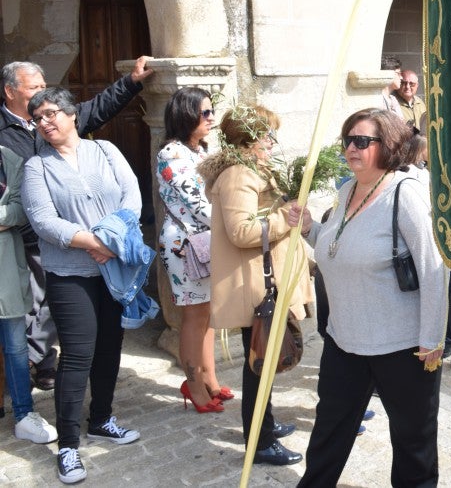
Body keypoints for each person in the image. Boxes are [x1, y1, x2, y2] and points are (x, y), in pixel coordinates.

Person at [288, 108, 446, 487]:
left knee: (413, 444)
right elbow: (338, 247)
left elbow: (434, 268)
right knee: (328, 435)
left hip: (403, 347)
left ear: (388, 145)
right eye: (348, 140)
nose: (351, 148)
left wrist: (432, 339)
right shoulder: (347, 190)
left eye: (362, 141)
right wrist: (311, 229)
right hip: (344, 340)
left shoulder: (405, 194)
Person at [0, 57, 152, 392]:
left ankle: (45, 363)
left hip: (71, 238)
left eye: (44, 87)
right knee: (27, 305)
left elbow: (98, 107)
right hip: (21, 234)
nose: (42, 94)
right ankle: (29, 367)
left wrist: (131, 81)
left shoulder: (58, 119)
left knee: (53, 309)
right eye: (34, 88)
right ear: (10, 91)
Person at [22, 88, 148, 484]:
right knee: (77, 355)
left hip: (113, 270)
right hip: (70, 274)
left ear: (72, 114)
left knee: (111, 346)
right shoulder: (35, 168)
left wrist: (112, 242)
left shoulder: (106, 151)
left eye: (52, 113)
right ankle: (68, 446)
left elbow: (132, 196)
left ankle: (103, 419)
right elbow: (44, 221)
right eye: (38, 117)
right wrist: (93, 242)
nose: (46, 121)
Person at [198, 104, 313, 466]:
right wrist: (286, 217)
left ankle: (266, 423)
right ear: (249, 139)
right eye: (267, 135)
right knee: (258, 365)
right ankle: (259, 441)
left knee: (266, 361)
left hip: (264, 282)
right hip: (255, 288)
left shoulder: (253, 169)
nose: (272, 143)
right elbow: (242, 231)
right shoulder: (238, 175)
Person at [156, 87, 230, 413]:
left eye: (212, 111)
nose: (211, 118)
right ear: (186, 115)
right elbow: (198, 202)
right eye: (205, 113)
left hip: (209, 241)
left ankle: (210, 378)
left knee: (209, 314)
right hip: (185, 245)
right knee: (193, 316)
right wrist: (235, 226)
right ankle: (194, 385)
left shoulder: (201, 152)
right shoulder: (171, 155)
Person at [0, 142, 59, 444]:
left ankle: (24, 414)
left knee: (15, 346)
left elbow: (22, 209)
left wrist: (4, 215)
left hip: (6, 268)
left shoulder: (8, 158)